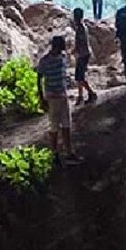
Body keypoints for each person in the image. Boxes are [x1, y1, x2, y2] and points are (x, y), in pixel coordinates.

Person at [36, 35, 81, 164]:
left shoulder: (62, 57)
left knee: (66, 124)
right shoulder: (45, 60)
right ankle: (55, 153)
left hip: (62, 94)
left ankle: (68, 152)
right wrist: (42, 98)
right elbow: (39, 79)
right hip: (52, 96)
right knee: (54, 126)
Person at [71, 7, 98, 105]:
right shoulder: (81, 27)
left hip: (83, 54)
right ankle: (80, 96)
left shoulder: (81, 28)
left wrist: (74, 50)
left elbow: (80, 42)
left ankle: (91, 93)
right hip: (83, 53)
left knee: (80, 77)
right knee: (79, 77)